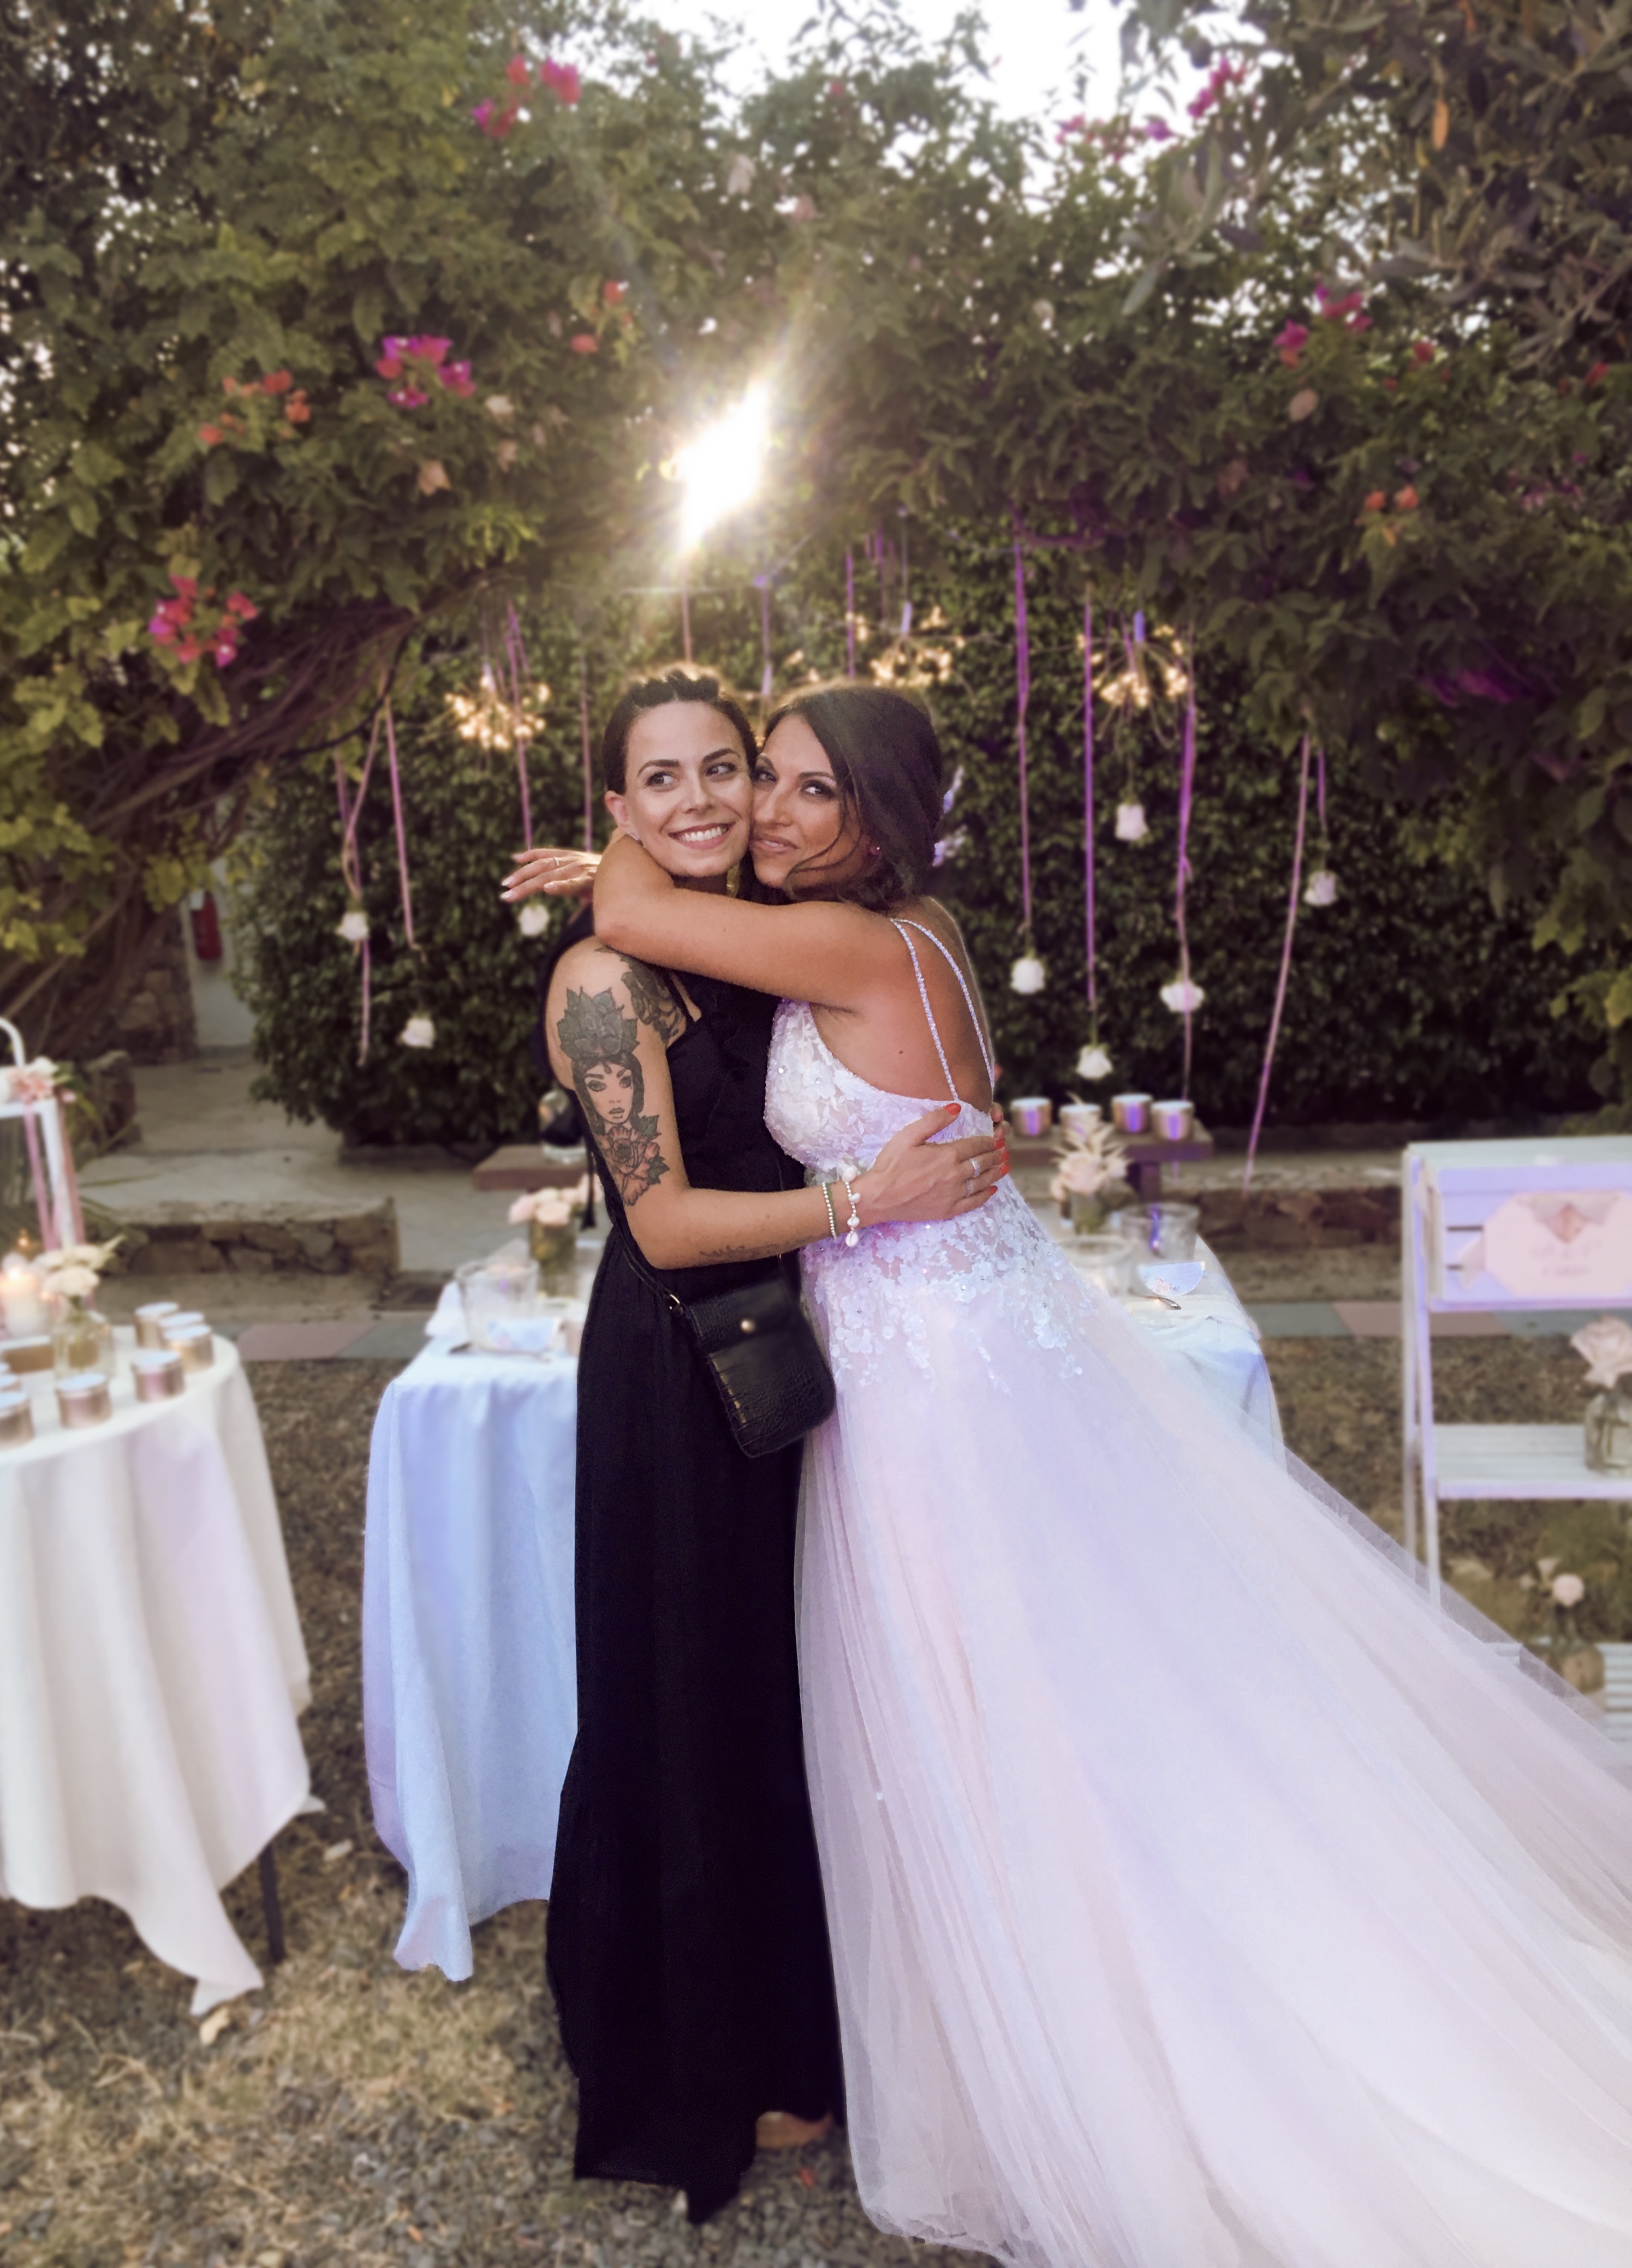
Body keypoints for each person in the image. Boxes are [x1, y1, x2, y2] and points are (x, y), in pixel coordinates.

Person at [513, 683, 1632, 2268]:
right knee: (1040, 1689)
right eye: (758, 778)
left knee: (991, 1706)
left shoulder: (841, 942)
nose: (762, 808)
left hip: (928, 1371)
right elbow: (649, 937)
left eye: (802, 788)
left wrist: (620, 856)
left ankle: (1094, 2039)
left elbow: (638, 913)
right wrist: (642, 856)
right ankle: (1002, 2009)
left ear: (880, 820)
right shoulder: (908, 929)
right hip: (946, 1331)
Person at [531, 670, 1006, 2227]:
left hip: (809, 1361)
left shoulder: (761, 931)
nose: (705, 800)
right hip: (684, 1369)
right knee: (700, 1697)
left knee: (799, 1699)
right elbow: (664, 1223)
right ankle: (711, 2056)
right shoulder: (609, 981)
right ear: (617, 805)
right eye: (657, 779)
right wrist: (869, 1202)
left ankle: (828, 2028)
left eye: (725, 768)